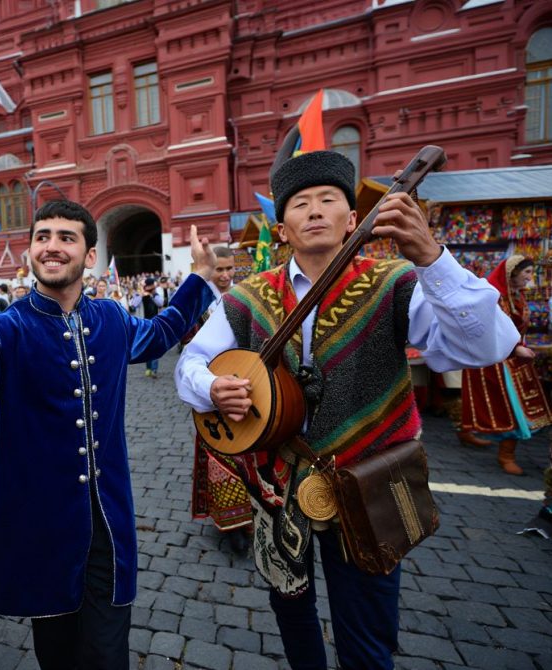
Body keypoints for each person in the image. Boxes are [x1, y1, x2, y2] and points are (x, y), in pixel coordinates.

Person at [176, 149, 520, 670]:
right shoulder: (248, 297)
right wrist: (211, 387)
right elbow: (191, 363)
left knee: (367, 630)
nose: (315, 210)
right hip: (277, 483)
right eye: (300, 204)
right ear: (282, 229)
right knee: (290, 608)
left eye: (328, 200)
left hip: (369, 481)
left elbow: (486, 345)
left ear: (354, 218)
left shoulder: (397, 282)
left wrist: (432, 258)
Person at [0, 199, 217, 669]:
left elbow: (160, 334)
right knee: (57, 655)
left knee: (108, 655)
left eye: (66, 237)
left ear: (90, 255)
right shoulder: (2, 329)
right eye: (43, 237)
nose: (52, 246)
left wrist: (200, 275)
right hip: (43, 532)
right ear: (30, 250)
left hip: (109, 528)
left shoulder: (112, 318)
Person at [182, 246, 252, 554]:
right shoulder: (199, 302)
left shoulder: (247, 298)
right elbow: (187, 344)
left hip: (245, 384)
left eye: (228, 269)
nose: (224, 275)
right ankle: (231, 522)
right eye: (218, 269)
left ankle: (251, 515)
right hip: (209, 390)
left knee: (248, 454)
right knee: (218, 458)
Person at [460, 255, 552, 474]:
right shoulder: (496, 296)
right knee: (508, 406)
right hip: (497, 359)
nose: (530, 277)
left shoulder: (517, 295)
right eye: (526, 272)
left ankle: (471, 433)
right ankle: (505, 455)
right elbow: (490, 327)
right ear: (512, 273)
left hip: (515, 360)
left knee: (509, 404)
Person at [129, 276, 164, 377]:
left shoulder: (155, 294)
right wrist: (141, 295)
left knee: (155, 347)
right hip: (143, 324)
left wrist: (152, 294)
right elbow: (133, 305)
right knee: (146, 347)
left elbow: (160, 303)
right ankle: (148, 368)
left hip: (155, 324)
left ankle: (154, 369)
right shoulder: (138, 294)